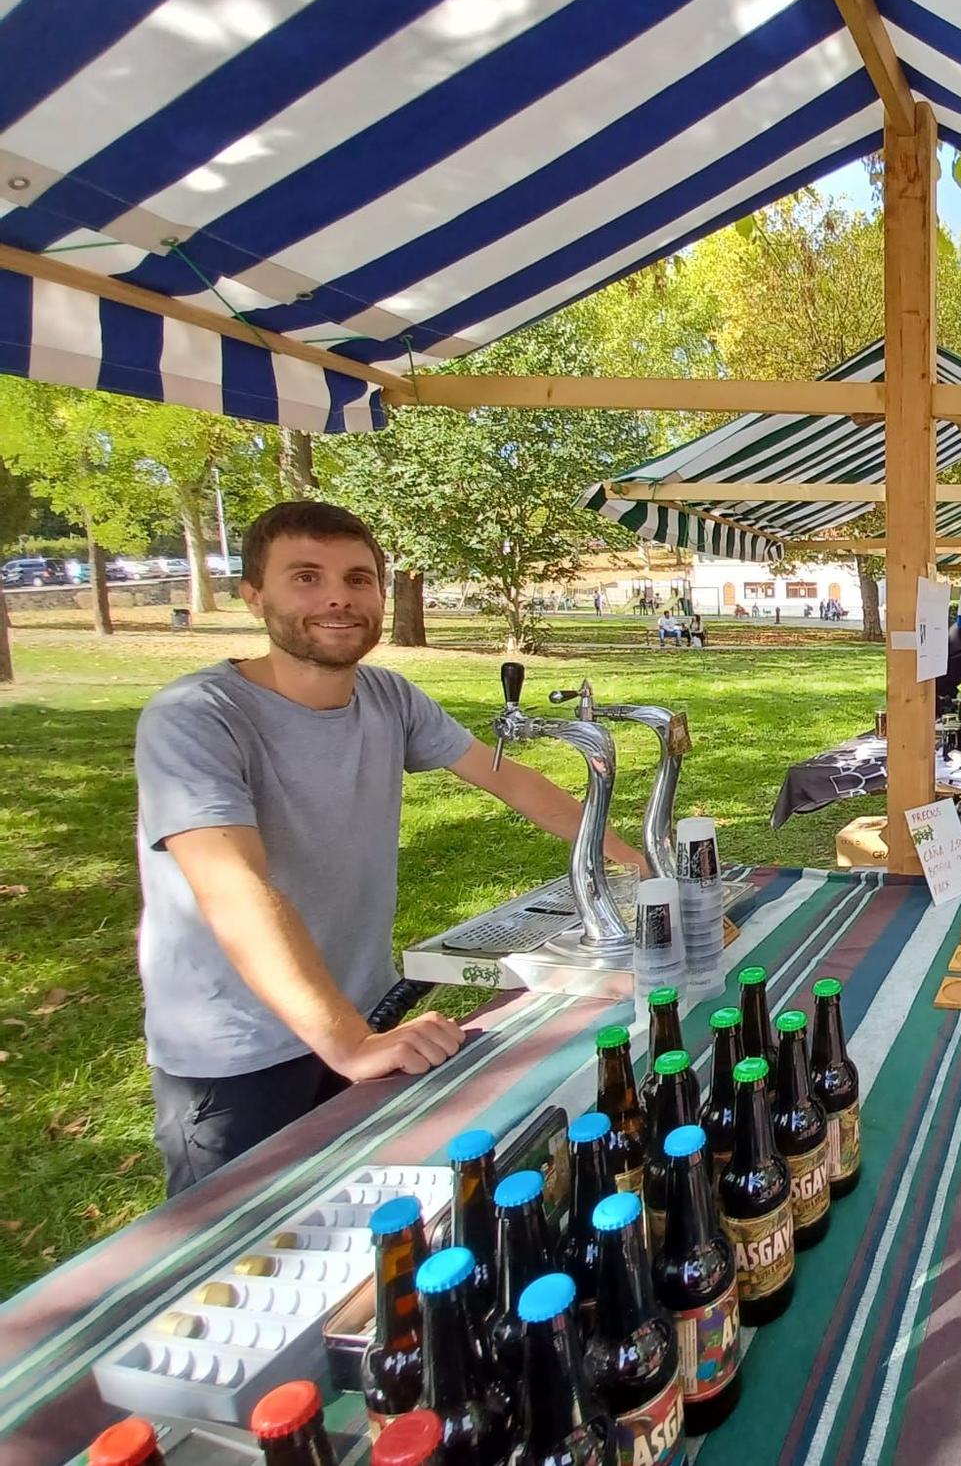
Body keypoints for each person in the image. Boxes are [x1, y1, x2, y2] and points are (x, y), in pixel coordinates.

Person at [136, 501, 648, 1196]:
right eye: (306, 578)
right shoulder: (196, 718)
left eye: (358, 578)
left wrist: (631, 859)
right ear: (252, 594)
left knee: (367, 1239)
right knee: (248, 1259)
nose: (339, 598)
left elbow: (509, 779)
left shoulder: (385, 695)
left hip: (366, 1020)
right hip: (241, 1054)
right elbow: (231, 887)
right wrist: (345, 1039)